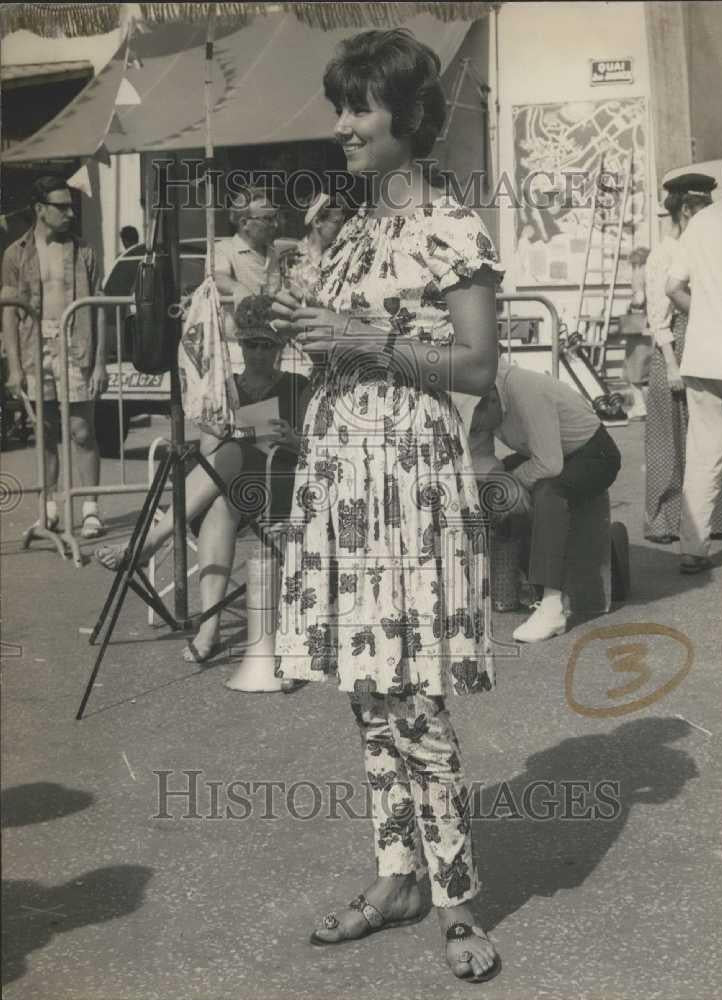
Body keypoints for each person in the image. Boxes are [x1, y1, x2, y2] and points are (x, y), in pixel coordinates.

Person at [271, 29, 502, 984]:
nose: (342, 127)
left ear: (408, 117)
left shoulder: (454, 223)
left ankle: (457, 899)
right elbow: (327, 346)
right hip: (342, 472)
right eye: (340, 107)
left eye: (359, 108)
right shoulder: (346, 226)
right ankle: (396, 872)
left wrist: (368, 341)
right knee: (368, 687)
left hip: (407, 476)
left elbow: (481, 368)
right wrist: (296, 326)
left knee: (414, 690)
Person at [95, 296, 309, 669]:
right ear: (240, 345)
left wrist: (271, 434)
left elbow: (302, 443)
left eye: (267, 345)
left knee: (231, 455)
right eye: (251, 344)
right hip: (231, 488)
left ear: (280, 347)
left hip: (279, 484)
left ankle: (151, 541)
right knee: (219, 502)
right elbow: (209, 449)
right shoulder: (226, 387)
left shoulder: (296, 385)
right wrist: (222, 427)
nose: (258, 352)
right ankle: (208, 629)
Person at [469, 360, 621, 642]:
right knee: (495, 486)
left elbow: (549, 465)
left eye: (477, 424)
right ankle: (525, 578)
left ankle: (552, 607)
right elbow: (480, 459)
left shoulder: (524, 389)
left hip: (593, 454)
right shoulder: (482, 401)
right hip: (550, 454)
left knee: (549, 493)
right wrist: (501, 482)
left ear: (490, 399)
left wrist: (515, 482)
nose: (477, 430)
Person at [1, 174, 108, 538]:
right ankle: (48, 512)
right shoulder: (16, 253)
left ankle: (91, 509)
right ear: (39, 210)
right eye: (61, 207)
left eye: (71, 206)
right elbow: (9, 313)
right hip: (35, 348)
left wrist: (100, 362)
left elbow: (100, 308)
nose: (70, 214)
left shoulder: (84, 251)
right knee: (43, 432)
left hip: (76, 345)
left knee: (81, 430)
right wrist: (14, 367)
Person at [666, 148, 722, 572]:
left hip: (703, 354)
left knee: (703, 454)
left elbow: (672, 287)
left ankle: (693, 549)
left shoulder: (702, 221)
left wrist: (707, 313)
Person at [643, 173, 722, 543]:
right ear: (687, 210)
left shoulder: (700, 248)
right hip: (672, 351)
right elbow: (658, 317)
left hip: (705, 345)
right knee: (669, 441)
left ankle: (715, 520)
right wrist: (672, 364)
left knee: (706, 439)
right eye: (701, 209)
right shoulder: (664, 254)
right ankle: (662, 519)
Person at [214, 187, 282, 336]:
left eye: (275, 218)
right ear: (244, 223)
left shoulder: (273, 253)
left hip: (271, 341)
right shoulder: (223, 249)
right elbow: (218, 277)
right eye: (268, 219)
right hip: (235, 344)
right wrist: (237, 288)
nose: (275, 225)